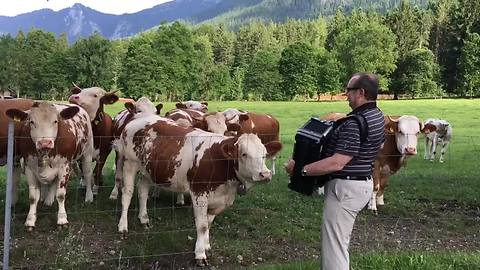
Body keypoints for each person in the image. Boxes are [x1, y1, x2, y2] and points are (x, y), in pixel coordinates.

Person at [285, 72, 385, 270]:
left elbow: (337, 163)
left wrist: (300, 170)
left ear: (361, 93)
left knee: (334, 249)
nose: (346, 94)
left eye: (349, 90)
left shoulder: (355, 123)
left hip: (345, 189)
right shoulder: (377, 116)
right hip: (362, 183)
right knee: (339, 242)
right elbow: (379, 146)